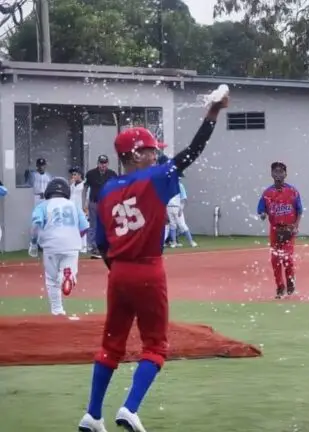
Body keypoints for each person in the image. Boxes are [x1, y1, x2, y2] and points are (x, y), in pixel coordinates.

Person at [76, 96, 228, 432]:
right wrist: (213, 113)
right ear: (132, 155)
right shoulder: (155, 179)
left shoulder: (108, 191)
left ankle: (92, 414)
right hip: (148, 269)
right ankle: (130, 408)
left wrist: (119, 271)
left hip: (118, 273)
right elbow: (193, 151)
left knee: (110, 345)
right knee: (156, 345)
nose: (155, 153)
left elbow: (102, 244)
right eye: (148, 149)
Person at [28, 178, 89, 316]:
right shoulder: (73, 205)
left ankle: (57, 310)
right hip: (72, 245)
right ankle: (68, 276)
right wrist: (73, 236)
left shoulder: (42, 206)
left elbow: (36, 225)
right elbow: (85, 227)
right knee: (69, 271)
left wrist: (33, 243)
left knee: (51, 279)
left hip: (51, 245)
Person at [257, 161, 303, 299]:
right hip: (275, 230)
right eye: (275, 172)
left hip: (289, 229)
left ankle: (290, 283)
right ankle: (279, 287)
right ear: (271, 174)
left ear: (286, 174)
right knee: (275, 259)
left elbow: (299, 210)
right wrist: (263, 214)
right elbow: (261, 210)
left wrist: (296, 226)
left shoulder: (292, 191)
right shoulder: (267, 193)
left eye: (281, 172)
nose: (278, 174)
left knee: (287, 257)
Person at [82, 155, 118, 259]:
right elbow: (85, 187)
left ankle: (107, 246)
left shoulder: (112, 174)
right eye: (101, 163)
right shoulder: (91, 174)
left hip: (107, 203)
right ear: (98, 163)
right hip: (94, 202)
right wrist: (84, 202)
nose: (103, 165)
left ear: (107, 164)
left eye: (105, 163)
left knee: (107, 224)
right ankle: (93, 247)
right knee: (93, 224)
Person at [167, 174, 197, 248]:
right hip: (169, 207)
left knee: (182, 225)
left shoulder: (180, 186)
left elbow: (183, 199)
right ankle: (174, 242)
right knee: (172, 225)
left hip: (177, 208)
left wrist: (181, 209)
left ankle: (191, 241)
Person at [69, 167, 88, 253]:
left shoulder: (84, 184)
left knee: (83, 228)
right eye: (72, 174)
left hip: (81, 209)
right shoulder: (72, 185)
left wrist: (86, 207)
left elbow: (86, 196)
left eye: (75, 174)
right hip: (72, 209)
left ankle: (84, 246)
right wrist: (71, 185)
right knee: (73, 228)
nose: (73, 176)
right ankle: (75, 245)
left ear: (79, 175)